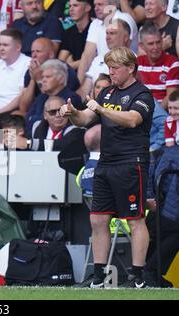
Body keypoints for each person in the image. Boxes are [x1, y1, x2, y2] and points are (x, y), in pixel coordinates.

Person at [59, 47, 155, 288]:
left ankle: (137, 276)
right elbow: (85, 120)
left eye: (115, 68)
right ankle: (99, 276)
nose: (111, 72)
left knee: (134, 220)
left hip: (131, 163)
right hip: (106, 162)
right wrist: (71, 114)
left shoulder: (142, 94)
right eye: (109, 67)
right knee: (98, 220)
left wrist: (101, 109)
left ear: (130, 68)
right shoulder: (107, 93)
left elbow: (132, 119)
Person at [0, 28, 30, 127]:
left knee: (8, 138)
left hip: (16, 113)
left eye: (5, 45)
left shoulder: (28, 64)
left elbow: (21, 96)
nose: (1, 48)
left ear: (18, 47)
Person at [137, 21, 179, 109]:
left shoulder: (172, 63)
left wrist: (153, 114)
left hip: (162, 113)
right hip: (140, 111)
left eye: (158, 42)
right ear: (141, 46)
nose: (155, 47)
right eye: (151, 44)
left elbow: (171, 96)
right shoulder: (137, 63)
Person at [58, 0, 92, 71]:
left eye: (75, 5)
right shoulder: (68, 32)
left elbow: (93, 59)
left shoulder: (94, 29)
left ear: (87, 8)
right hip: (71, 74)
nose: (71, 9)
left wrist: (71, 65)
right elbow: (60, 62)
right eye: (70, 6)